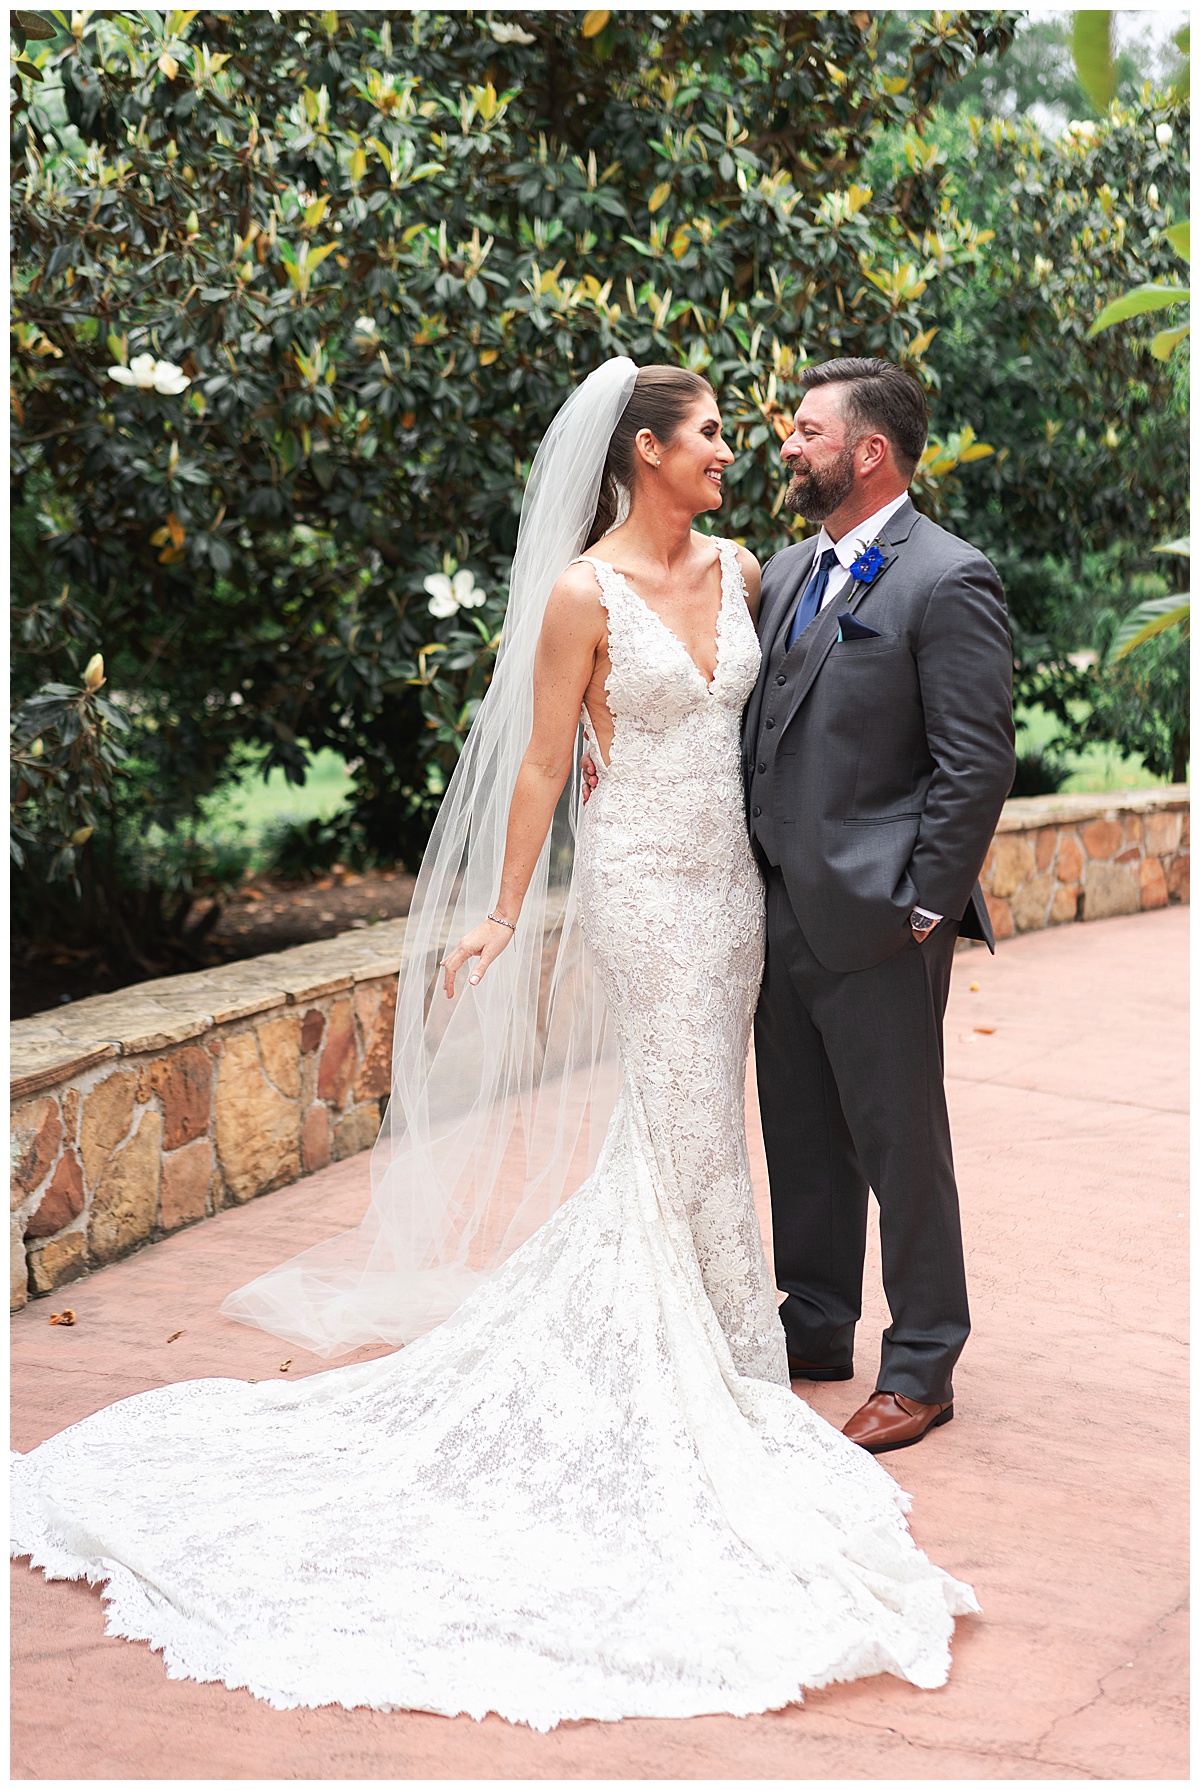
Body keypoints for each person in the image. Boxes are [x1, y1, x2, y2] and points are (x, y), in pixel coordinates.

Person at [11, 360, 977, 1728]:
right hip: (646, 892)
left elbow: (787, 728)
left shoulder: (752, 567)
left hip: (742, 898)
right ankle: (711, 1364)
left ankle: (726, 1341)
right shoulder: (582, 594)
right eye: (710, 432)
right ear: (644, 450)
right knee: (689, 1117)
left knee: (710, 1120)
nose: (735, 451)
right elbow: (538, 761)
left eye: (757, 431)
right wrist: (501, 911)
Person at [745, 358, 1015, 1454]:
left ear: (868, 451)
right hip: (774, 905)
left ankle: (923, 1366)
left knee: (901, 1140)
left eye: (807, 431)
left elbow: (976, 763)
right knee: (801, 1132)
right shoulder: (780, 568)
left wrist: (922, 907)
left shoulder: (947, 578)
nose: (787, 447)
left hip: (881, 915)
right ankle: (814, 1327)